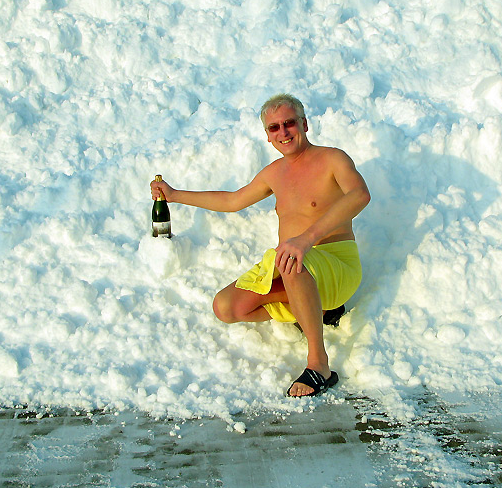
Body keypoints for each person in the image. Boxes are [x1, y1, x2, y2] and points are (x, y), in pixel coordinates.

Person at [150, 93, 370, 397]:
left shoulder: (333, 159)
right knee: (226, 307)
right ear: (267, 136)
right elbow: (231, 200)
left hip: (336, 265)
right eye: (274, 127)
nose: (283, 132)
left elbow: (360, 195)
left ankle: (319, 364)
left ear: (304, 124)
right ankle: (314, 309)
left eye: (289, 123)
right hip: (294, 264)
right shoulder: (274, 174)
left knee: (290, 262)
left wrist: (307, 239)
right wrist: (174, 195)